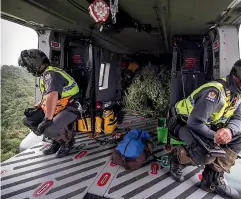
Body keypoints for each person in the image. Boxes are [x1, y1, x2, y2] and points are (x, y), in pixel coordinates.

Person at [169, 60, 241, 199]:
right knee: (206, 154)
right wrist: (216, 136)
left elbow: (238, 118)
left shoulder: (237, 94)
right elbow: (194, 123)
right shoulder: (214, 92)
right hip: (181, 123)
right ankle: (177, 158)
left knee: (238, 136)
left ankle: (211, 180)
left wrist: (229, 131)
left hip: (206, 126)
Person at [18, 49, 80, 158]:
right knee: (29, 120)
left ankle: (67, 142)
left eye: (28, 66)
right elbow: (47, 97)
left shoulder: (51, 74)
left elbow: (52, 96)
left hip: (71, 107)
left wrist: (47, 120)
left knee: (48, 128)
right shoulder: (45, 75)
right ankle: (56, 141)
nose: (28, 69)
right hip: (59, 106)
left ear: (35, 63)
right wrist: (35, 108)